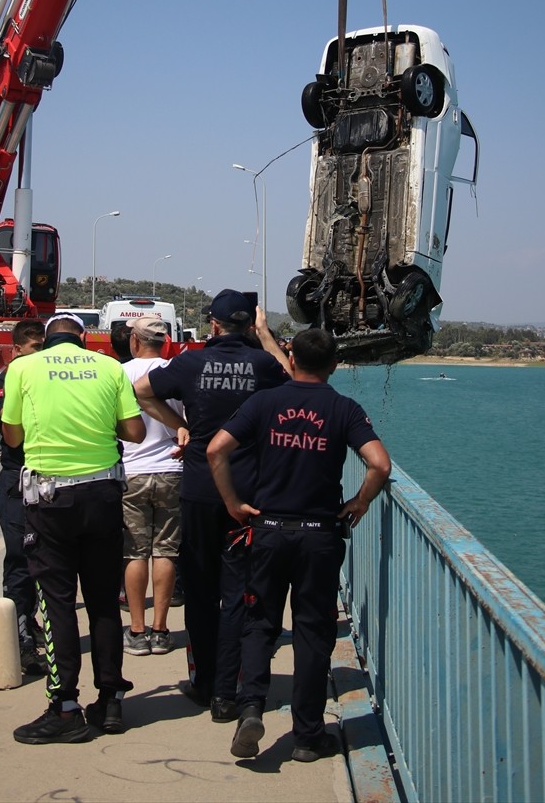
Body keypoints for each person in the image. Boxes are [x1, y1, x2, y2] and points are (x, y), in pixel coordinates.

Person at [206, 328, 392, 763]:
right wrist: (360, 503)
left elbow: (216, 450)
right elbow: (379, 464)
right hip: (319, 536)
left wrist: (234, 503)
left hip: (267, 530)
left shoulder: (264, 402)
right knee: (312, 631)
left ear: (291, 360)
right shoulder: (343, 409)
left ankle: (251, 707)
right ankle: (308, 736)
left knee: (261, 623)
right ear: (333, 365)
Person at [2, 311, 176, 745]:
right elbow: (135, 431)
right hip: (102, 497)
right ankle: (111, 700)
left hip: (51, 500)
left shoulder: (22, 368)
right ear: (83, 339)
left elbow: (12, 438)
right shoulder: (107, 368)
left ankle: (64, 707)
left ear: (45, 340)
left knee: (57, 603)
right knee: (101, 601)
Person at [132, 288, 291, 721]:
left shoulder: (190, 362)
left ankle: (204, 682)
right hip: (249, 494)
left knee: (200, 589)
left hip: (201, 489)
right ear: (247, 325)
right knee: (239, 590)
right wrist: (266, 336)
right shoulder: (262, 365)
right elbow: (294, 382)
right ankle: (231, 687)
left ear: (214, 325)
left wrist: (179, 426)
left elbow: (143, 391)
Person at [119, 316, 183, 657]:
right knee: (166, 551)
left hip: (132, 472)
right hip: (172, 468)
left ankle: (137, 629)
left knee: (135, 551)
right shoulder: (175, 371)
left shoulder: (120, 373)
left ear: (134, 340)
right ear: (165, 341)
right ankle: (161, 630)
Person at [0, 318, 45, 674]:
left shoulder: (43, 378)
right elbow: (13, 433)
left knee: (44, 558)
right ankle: (20, 635)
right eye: (36, 348)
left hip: (47, 476)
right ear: (19, 349)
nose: (40, 354)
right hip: (17, 477)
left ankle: (30, 619)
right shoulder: (5, 381)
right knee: (20, 559)